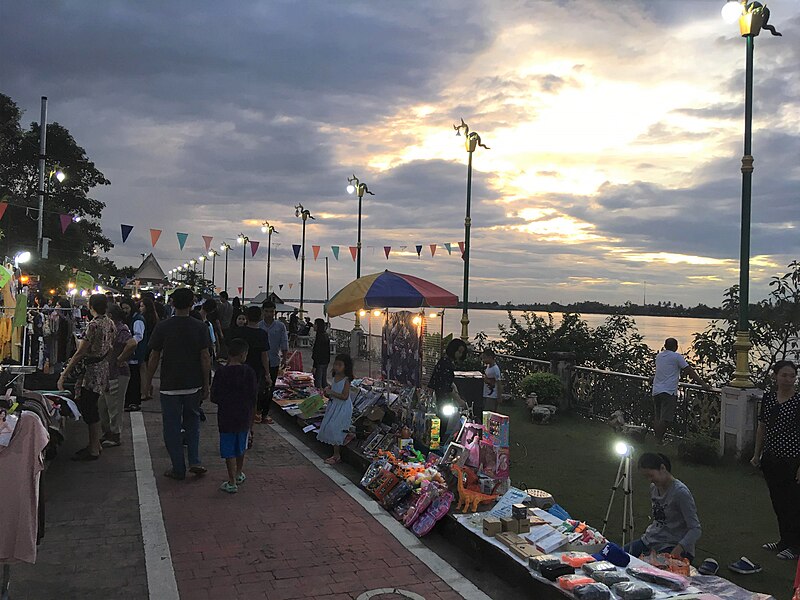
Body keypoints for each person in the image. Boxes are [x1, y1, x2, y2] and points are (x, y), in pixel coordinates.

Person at [145, 287, 212, 480]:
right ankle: (195, 460)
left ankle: (178, 467)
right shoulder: (200, 327)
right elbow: (205, 357)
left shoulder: (163, 326)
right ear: (192, 304)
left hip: (169, 385)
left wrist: (148, 382)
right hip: (193, 384)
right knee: (192, 423)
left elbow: (154, 356)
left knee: (171, 427)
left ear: (172, 303)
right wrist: (206, 384)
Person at [58, 294, 117, 460]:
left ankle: (93, 448)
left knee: (88, 408)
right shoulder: (109, 323)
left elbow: (81, 352)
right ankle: (95, 444)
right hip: (102, 369)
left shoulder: (94, 325)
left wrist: (64, 374)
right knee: (92, 406)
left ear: (91, 306)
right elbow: (110, 347)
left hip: (91, 371)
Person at [752, 360, 800, 561]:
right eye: (784, 375)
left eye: (792, 376)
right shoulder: (769, 398)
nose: (788, 380)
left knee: (793, 503)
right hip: (771, 457)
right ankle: (784, 541)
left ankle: (795, 545)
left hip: (792, 459)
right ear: (775, 376)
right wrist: (757, 454)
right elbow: (762, 427)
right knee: (778, 501)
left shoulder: (798, 402)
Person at [625, 453, 701, 562]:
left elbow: (695, 529)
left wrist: (679, 548)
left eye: (651, 475)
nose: (650, 480)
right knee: (618, 555)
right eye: (646, 477)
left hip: (672, 544)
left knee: (649, 570)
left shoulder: (680, 493)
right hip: (651, 539)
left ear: (662, 468)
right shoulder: (654, 488)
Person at [211, 337, 257, 494]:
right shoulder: (249, 372)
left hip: (226, 416)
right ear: (244, 354)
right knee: (241, 446)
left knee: (228, 448)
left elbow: (214, 397)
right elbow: (253, 398)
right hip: (244, 416)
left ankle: (231, 481)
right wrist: (252, 422)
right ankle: (239, 473)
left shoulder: (221, 373)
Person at [651, 338, 709, 444]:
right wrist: (702, 383)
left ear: (665, 345)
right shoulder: (676, 357)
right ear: (676, 347)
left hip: (656, 390)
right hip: (668, 391)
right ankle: (657, 440)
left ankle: (657, 439)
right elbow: (689, 370)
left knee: (658, 417)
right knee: (666, 419)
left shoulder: (659, 356)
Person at [98, 304, 137, 448]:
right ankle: (108, 433)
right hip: (107, 373)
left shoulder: (120, 329)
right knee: (103, 405)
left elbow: (132, 343)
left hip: (118, 373)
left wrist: (120, 359)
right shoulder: (111, 329)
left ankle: (115, 435)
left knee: (114, 406)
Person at [234, 306, 271, 425]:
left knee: (238, 394)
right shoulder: (262, 334)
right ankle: (249, 426)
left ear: (247, 317)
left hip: (238, 367)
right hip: (256, 369)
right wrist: (267, 373)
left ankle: (237, 419)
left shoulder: (239, 331)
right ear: (260, 317)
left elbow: (232, 351)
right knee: (252, 397)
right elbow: (264, 355)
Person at [317, 354, 354, 465]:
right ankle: (335, 452)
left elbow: (344, 396)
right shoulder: (335, 378)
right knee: (330, 426)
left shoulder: (346, 380)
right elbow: (332, 393)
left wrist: (331, 392)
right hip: (334, 406)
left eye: (340, 365)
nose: (337, 367)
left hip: (343, 407)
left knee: (335, 428)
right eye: (335, 364)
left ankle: (336, 455)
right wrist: (327, 393)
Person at [428, 338, 468, 439]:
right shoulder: (447, 364)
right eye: (459, 352)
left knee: (438, 423)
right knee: (441, 424)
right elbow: (446, 386)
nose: (459, 355)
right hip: (441, 399)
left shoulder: (443, 361)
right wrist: (458, 400)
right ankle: (437, 444)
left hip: (437, 397)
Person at [259, 300, 289, 425]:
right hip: (259, 361)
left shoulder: (280, 326)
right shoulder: (259, 325)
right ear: (263, 311)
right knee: (259, 388)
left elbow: (284, 342)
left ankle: (265, 413)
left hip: (274, 361)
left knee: (270, 388)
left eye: (271, 311)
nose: (269, 314)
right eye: (267, 311)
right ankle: (257, 411)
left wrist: (284, 358)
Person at [139, 296, 161, 403]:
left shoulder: (144, 318)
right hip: (151, 345)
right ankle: (148, 388)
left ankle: (145, 391)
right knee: (148, 368)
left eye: (142, 306)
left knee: (143, 368)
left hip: (145, 345)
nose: (140, 308)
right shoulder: (154, 317)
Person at [481, 348, 502, 415]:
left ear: (490, 357)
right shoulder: (488, 367)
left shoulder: (495, 369)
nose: (483, 360)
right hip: (486, 394)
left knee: (489, 414)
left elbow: (499, 383)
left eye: (485, 358)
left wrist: (499, 397)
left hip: (492, 396)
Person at [312, 318, 330, 389]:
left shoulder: (319, 336)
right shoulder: (325, 335)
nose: (313, 326)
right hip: (325, 361)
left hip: (319, 362)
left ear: (317, 325)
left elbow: (317, 352)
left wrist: (314, 366)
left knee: (318, 383)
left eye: (315, 324)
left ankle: (320, 397)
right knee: (323, 381)